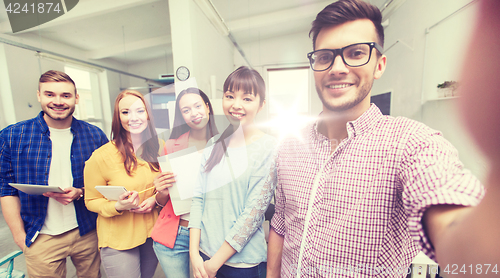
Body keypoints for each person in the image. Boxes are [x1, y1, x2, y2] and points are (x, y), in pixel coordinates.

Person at [266, 0, 485, 277]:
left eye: (356, 53)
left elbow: (449, 206)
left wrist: (469, 239)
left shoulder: (410, 143)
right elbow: (282, 223)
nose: (337, 67)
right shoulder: (290, 145)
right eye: (324, 57)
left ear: (379, 65)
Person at [0, 70, 107, 278]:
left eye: (65, 95)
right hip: (41, 235)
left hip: (87, 230)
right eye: (50, 94)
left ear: (76, 98)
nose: (58, 101)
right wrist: (20, 237)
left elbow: (106, 181)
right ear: (39, 95)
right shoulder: (12, 136)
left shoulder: (94, 135)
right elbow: (6, 189)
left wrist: (81, 191)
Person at [189, 66, 277, 278]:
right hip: (203, 255)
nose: (236, 105)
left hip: (241, 264)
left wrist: (214, 265)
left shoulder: (269, 148)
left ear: (261, 105)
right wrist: (194, 254)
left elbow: (253, 215)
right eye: (229, 96)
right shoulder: (213, 143)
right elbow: (198, 199)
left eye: (247, 98)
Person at [84, 90, 160, 278]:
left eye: (140, 111)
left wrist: (155, 200)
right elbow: (91, 200)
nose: (133, 117)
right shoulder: (101, 157)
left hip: (152, 234)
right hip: (118, 238)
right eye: (125, 112)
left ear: (148, 115)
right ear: (118, 117)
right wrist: (118, 206)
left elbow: (166, 186)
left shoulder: (160, 147)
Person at [151, 87, 219, 278]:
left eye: (197, 106)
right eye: (186, 110)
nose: (193, 113)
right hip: (176, 231)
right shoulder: (171, 146)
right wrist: (161, 191)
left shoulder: (226, 144)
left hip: (211, 232)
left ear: (207, 107)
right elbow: (163, 201)